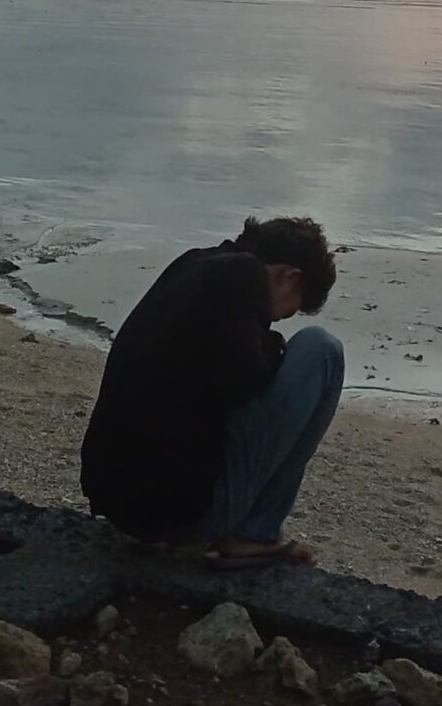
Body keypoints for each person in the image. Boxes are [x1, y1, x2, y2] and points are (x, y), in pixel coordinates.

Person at [80, 216, 344, 569]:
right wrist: (274, 345)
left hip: (118, 502)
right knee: (322, 350)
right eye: (288, 310)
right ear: (289, 276)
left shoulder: (193, 263)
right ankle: (254, 532)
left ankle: (242, 528)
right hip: (174, 514)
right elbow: (246, 383)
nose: (277, 319)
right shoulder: (243, 280)